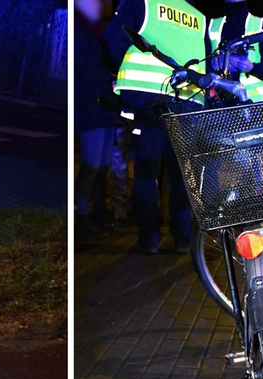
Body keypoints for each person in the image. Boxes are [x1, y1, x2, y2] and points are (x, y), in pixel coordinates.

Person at [104, 0, 207, 254]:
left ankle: (149, 238)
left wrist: (124, 68)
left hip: (146, 101)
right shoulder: (197, 16)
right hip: (188, 103)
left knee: (146, 173)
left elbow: (113, 39)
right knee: (181, 176)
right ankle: (183, 238)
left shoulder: (143, 2)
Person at [74, 0, 120, 239]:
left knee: (102, 167)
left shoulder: (96, 31)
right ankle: (82, 216)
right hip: (91, 105)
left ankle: (100, 213)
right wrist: (113, 78)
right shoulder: (79, 31)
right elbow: (86, 70)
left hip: (104, 104)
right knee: (92, 166)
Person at [207, 0, 263, 103]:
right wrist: (212, 63)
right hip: (217, 103)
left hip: (251, 104)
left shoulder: (260, 26)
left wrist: (252, 67)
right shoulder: (211, 25)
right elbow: (201, 63)